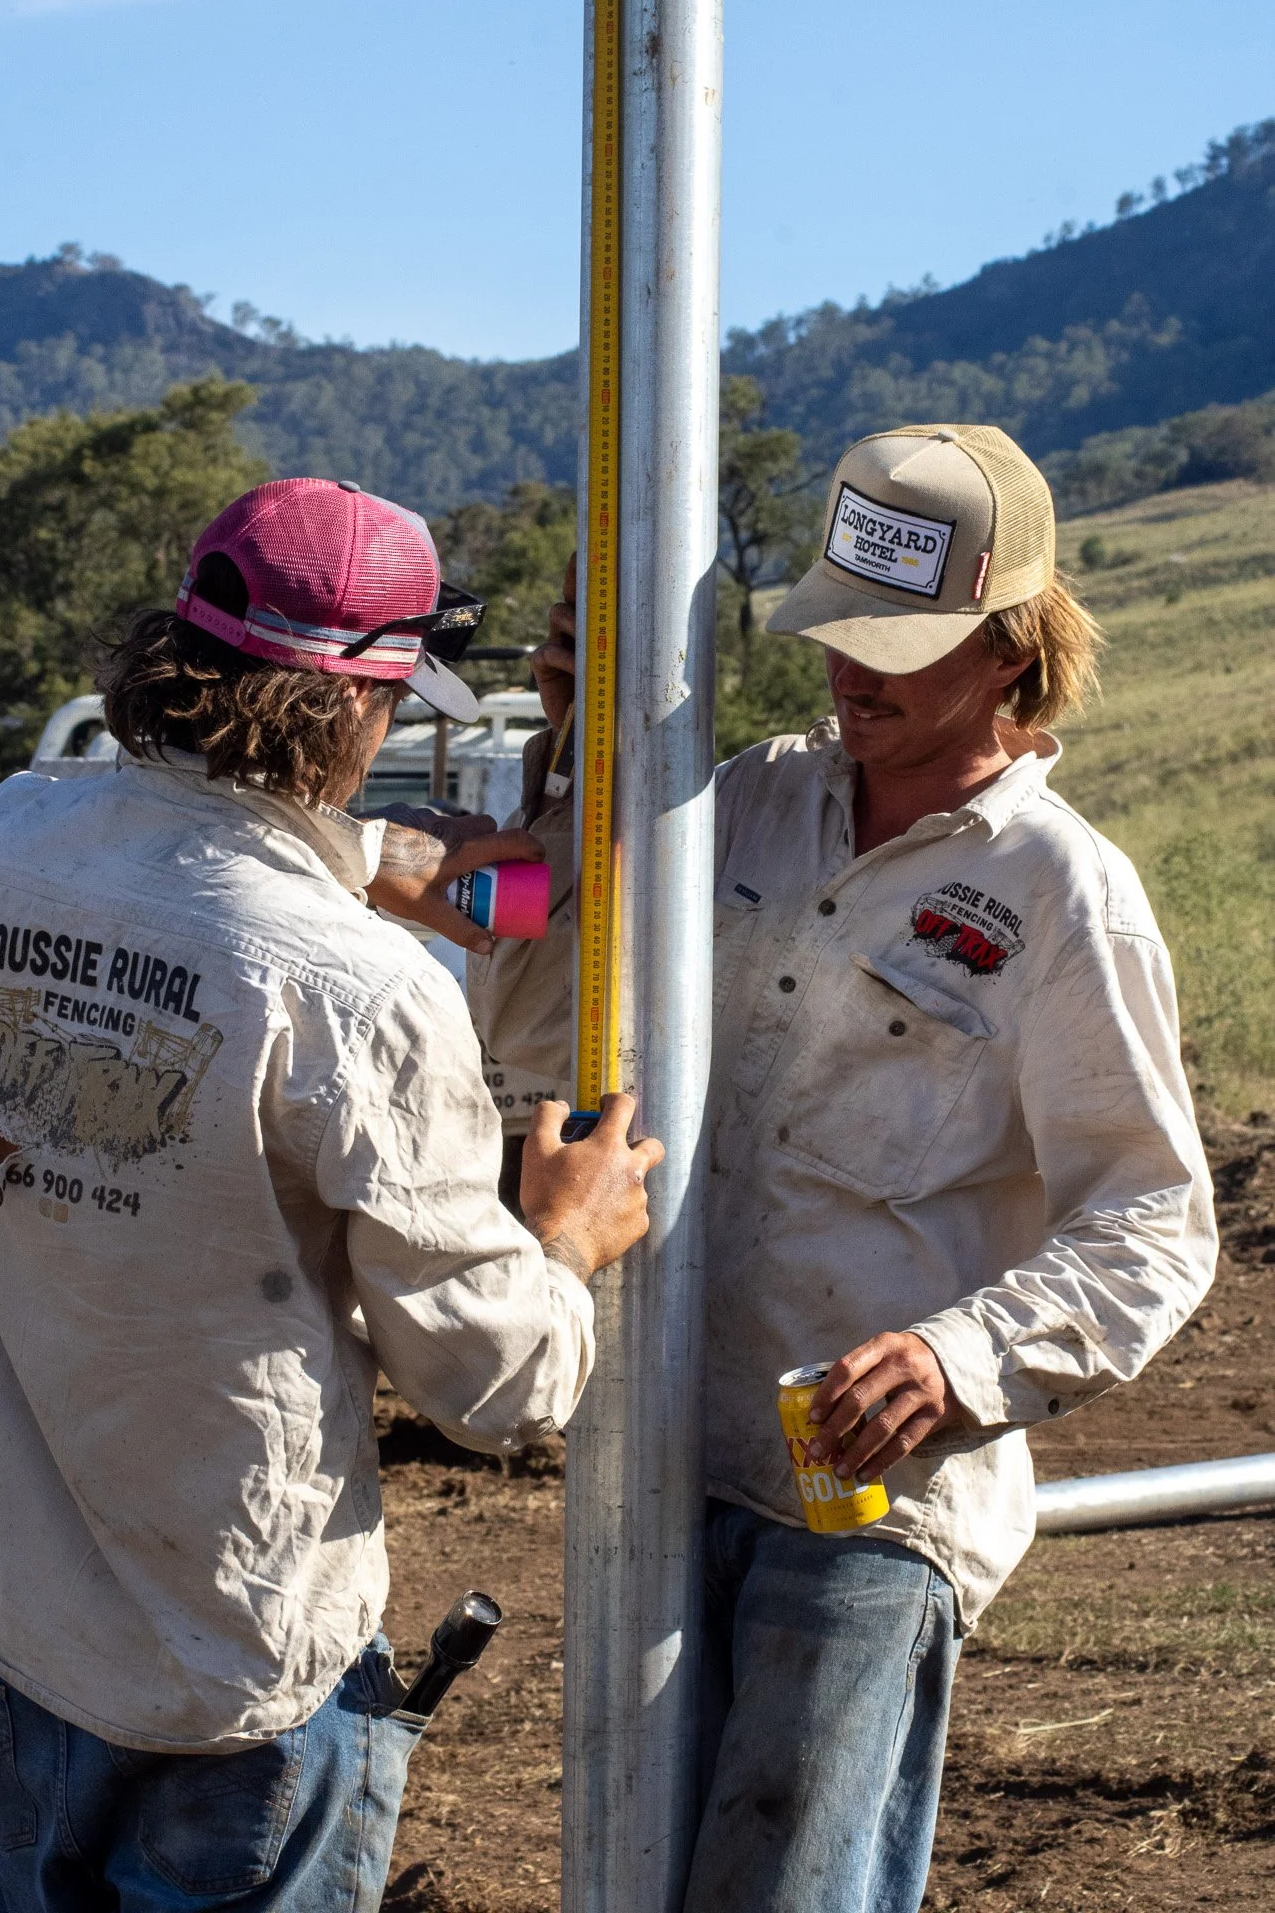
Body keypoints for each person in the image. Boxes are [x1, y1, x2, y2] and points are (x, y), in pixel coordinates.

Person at [469, 424, 1218, 1913]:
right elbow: (533, 1007)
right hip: (666, 1458)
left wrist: (960, 1358)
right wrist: (581, 754)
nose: (852, 673)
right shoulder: (743, 798)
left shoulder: (1060, 896)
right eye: (843, 635)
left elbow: (1155, 1218)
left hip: (865, 1504)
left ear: (1012, 646)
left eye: (902, 647)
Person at [0, 475, 662, 1913]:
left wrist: (363, 857)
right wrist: (565, 1239)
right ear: (357, 709)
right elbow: (495, 1388)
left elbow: (167, 864)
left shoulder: (5, 840)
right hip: (241, 1670)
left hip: (30, 1615)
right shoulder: (359, 990)